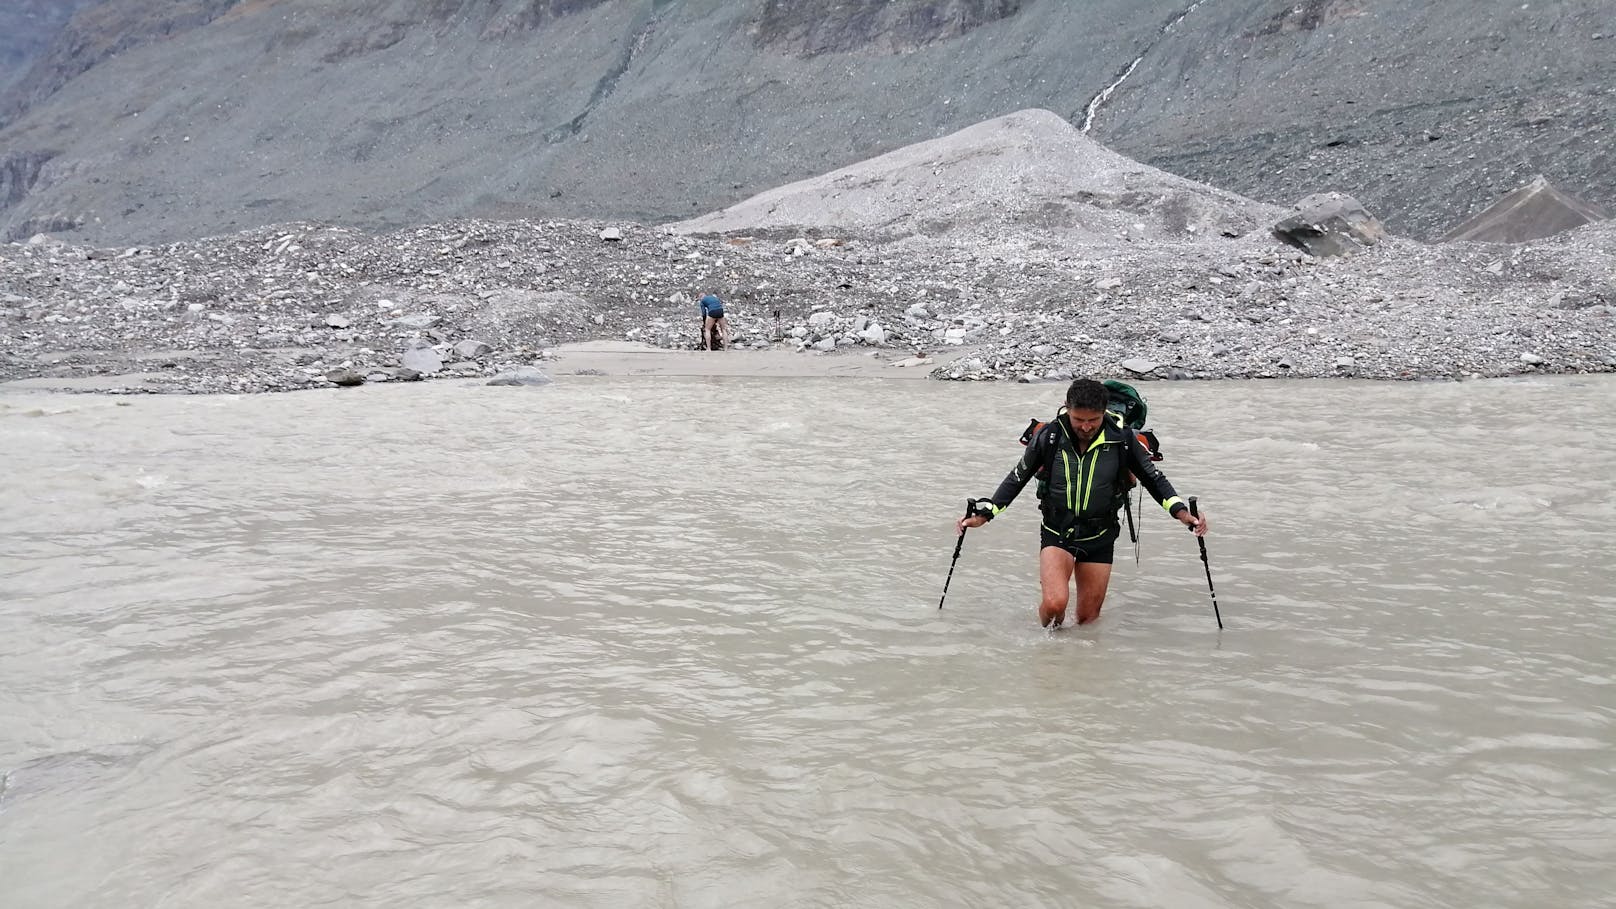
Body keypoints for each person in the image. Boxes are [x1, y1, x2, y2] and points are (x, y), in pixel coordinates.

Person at [955, 378, 1208, 628]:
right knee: (1055, 607)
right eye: (1078, 420)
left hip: (1100, 536)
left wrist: (1182, 512)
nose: (1086, 427)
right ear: (1066, 408)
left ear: (1104, 412)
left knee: (1087, 621)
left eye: (1093, 420)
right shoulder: (1049, 436)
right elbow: (1016, 478)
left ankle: (1074, 659)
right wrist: (985, 514)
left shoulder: (1123, 439)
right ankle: (1050, 652)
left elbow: (1154, 479)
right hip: (1057, 531)